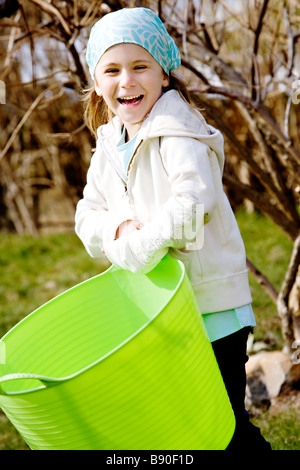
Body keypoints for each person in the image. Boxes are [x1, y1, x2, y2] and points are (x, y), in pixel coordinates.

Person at [75, 7, 271, 451]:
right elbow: (88, 215)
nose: (127, 80)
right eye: (112, 69)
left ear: (163, 74)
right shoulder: (109, 143)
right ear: (96, 80)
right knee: (183, 423)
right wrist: (121, 229)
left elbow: (192, 204)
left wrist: (140, 245)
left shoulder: (177, 130)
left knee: (224, 424)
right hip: (159, 308)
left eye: (140, 66)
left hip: (211, 306)